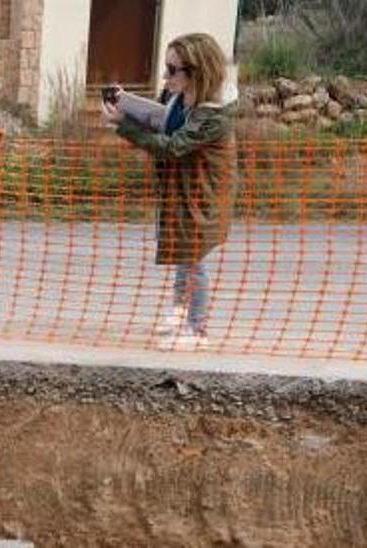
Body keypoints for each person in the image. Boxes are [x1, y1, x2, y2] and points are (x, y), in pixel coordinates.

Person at [103, 33, 236, 351]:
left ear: (197, 71)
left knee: (194, 259)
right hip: (183, 191)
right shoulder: (178, 99)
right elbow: (161, 123)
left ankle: (197, 329)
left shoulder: (213, 114)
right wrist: (128, 105)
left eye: (173, 69)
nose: (165, 75)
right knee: (183, 251)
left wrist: (125, 125)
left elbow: (173, 147)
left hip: (204, 195)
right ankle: (180, 311)